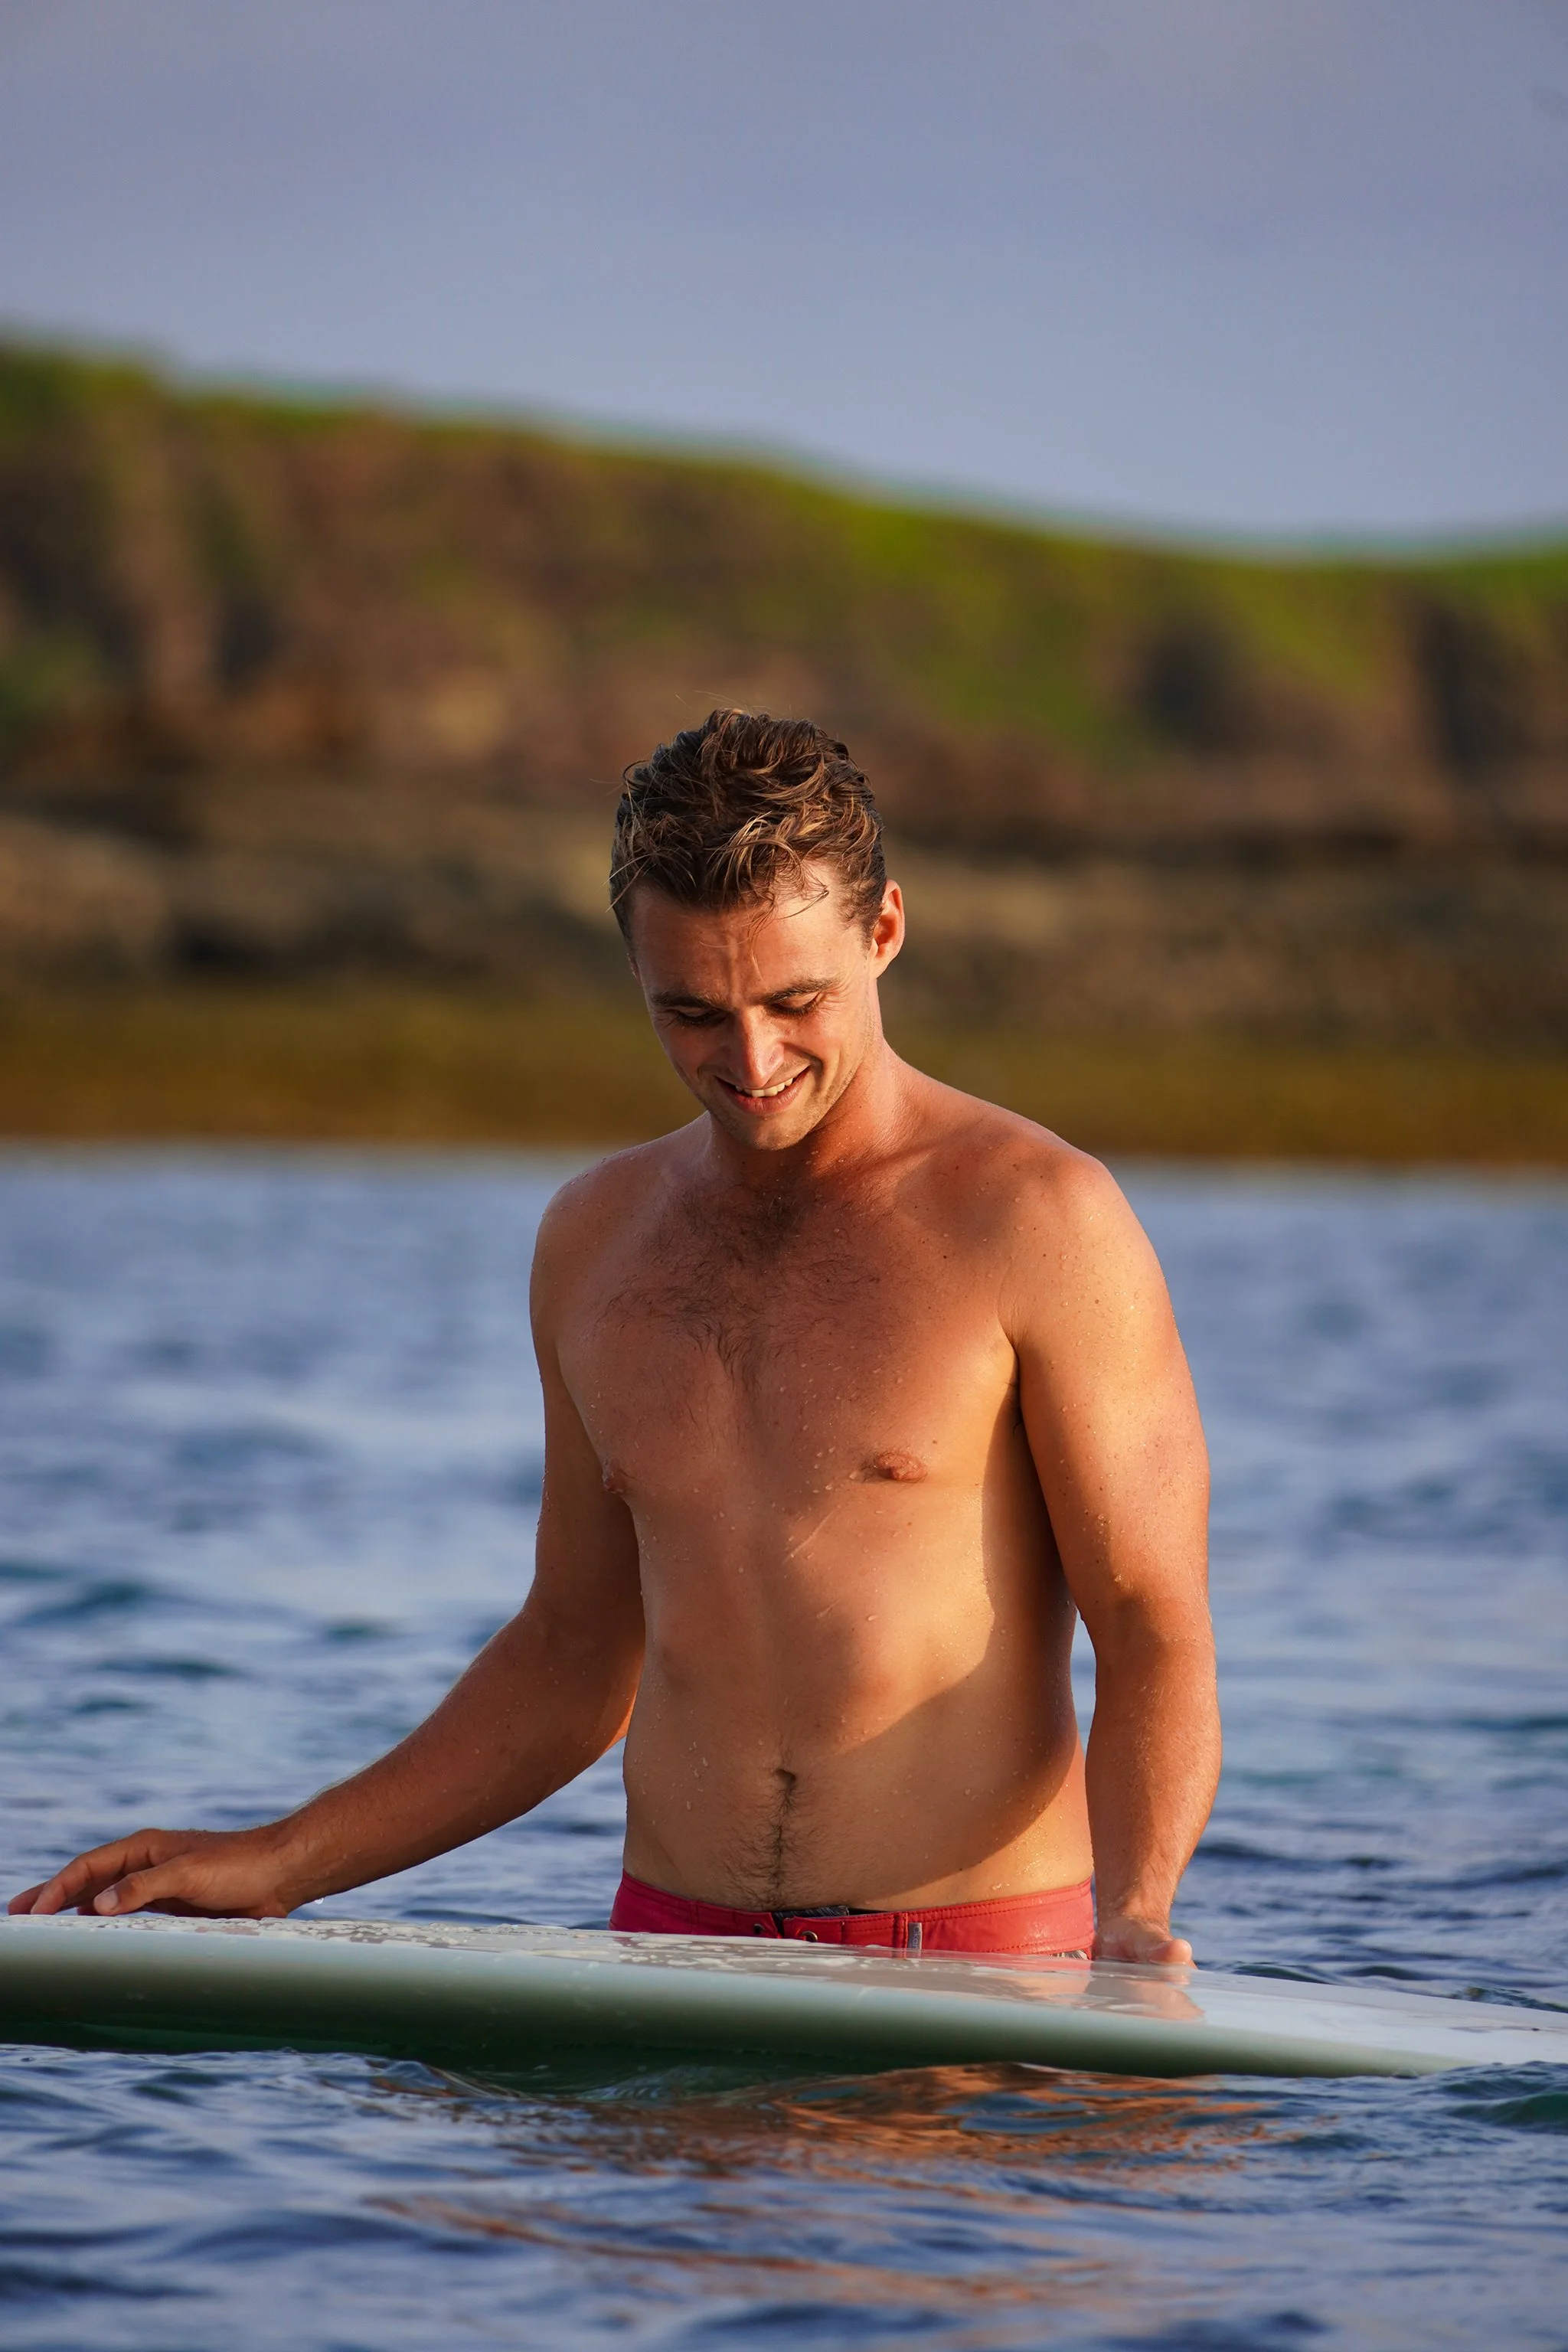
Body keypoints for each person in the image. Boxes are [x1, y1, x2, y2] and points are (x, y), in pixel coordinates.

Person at [10, 711, 1219, 1962]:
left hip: (971, 1964)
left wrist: (1136, 1917)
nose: (751, 1059)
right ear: (635, 969)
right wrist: (280, 1861)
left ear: (884, 931)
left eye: (796, 1001)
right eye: (693, 1012)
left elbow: (1151, 1624)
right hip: (666, 1956)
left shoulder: (1038, 1218)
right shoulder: (594, 1239)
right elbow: (572, 1652)